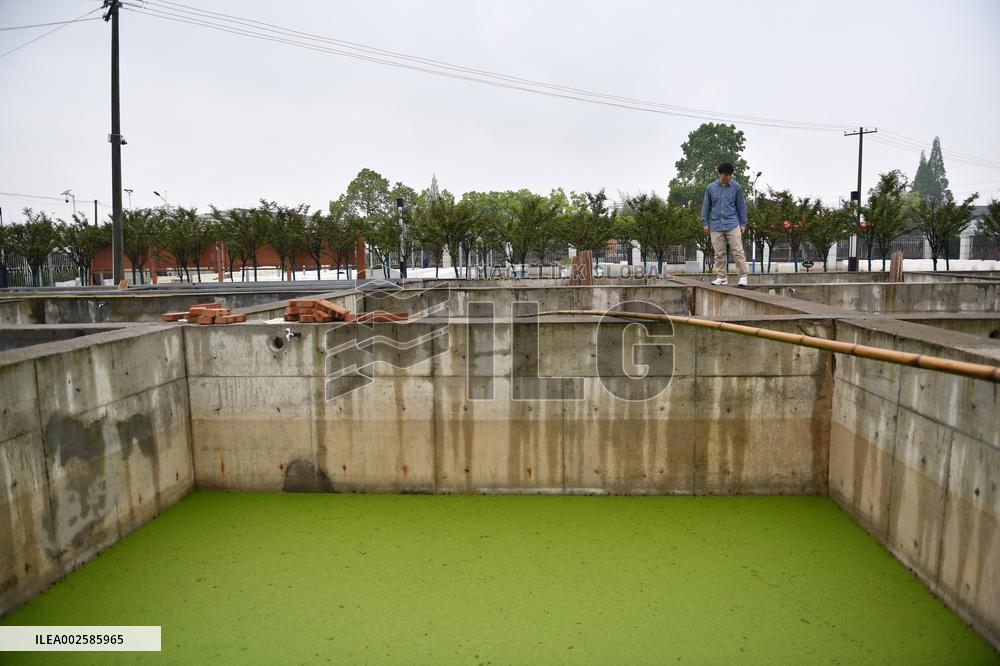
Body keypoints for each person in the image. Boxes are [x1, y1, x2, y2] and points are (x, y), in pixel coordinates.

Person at [701, 162, 749, 286]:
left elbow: (741, 206)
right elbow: (706, 206)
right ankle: (722, 277)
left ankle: (743, 276)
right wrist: (705, 222)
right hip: (716, 225)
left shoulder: (736, 187)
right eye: (726, 175)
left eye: (730, 175)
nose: (728, 177)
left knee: (738, 251)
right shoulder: (710, 188)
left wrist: (743, 223)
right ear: (719, 174)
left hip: (732, 223)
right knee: (719, 253)